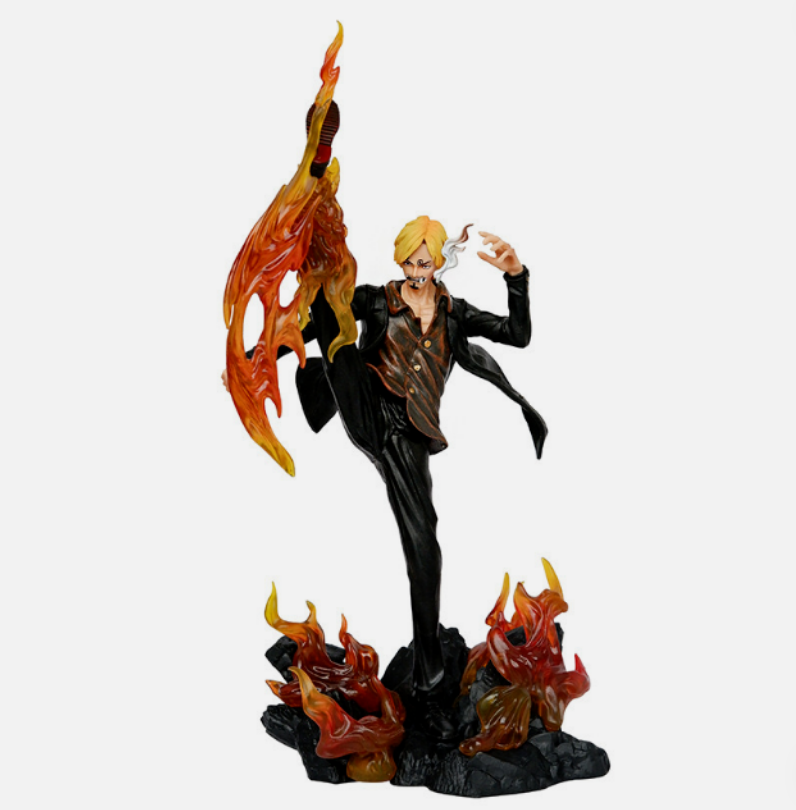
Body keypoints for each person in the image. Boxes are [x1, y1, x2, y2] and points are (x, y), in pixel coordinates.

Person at [224, 216, 546, 738]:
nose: (418, 270)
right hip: (369, 406)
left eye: (426, 262)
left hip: (411, 435)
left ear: (439, 262)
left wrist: (516, 276)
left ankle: (429, 681)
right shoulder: (377, 301)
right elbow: (304, 331)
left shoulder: (453, 313)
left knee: (425, 547)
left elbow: (518, 335)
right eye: (410, 261)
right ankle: (313, 243)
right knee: (332, 318)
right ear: (401, 260)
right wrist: (250, 360)